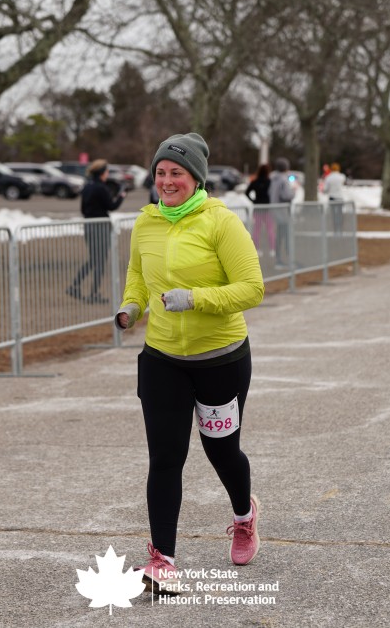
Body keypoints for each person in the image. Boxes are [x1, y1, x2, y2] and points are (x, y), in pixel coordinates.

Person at [114, 133, 264, 595]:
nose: (166, 181)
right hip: (162, 358)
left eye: (176, 172)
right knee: (165, 457)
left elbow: (252, 288)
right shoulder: (146, 222)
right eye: (160, 172)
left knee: (222, 452)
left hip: (220, 359)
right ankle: (163, 561)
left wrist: (195, 299)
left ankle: (245, 516)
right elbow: (138, 274)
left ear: (196, 177)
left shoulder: (221, 223)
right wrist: (132, 305)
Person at [67, 159, 126, 304]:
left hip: (89, 226)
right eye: (106, 172)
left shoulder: (87, 186)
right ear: (102, 173)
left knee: (93, 259)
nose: (107, 174)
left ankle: (75, 285)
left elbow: (83, 209)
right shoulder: (101, 188)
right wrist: (121, 197)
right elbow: (111, 206)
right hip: (101, 227)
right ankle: (94, 293)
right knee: (100, 262)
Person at [268, 157, 297, 267]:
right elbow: (286, 195)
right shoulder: (283, 180)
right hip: (283, 212)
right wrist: (294, 191)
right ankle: (287, 260)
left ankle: (279, 259)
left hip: (274, 211)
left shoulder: (273, 179)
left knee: (279, 236)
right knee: (286, 236)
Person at [245, 163, 275, 256]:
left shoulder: (255, 181)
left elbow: (247, 192)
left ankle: (257, 249)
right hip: (267, 208)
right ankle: (272, 249)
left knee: (257, 230)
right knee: (270, 229)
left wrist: (253, 200)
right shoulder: (269, 182)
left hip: (257, 208)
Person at [323, 162, 347, 235]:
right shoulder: (342, 177)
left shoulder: (328, 178)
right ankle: (340, 229)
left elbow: (325, 189)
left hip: (332, 197)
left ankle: (335, 230)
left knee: (334, 214)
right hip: (340, 197)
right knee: (339, 214)